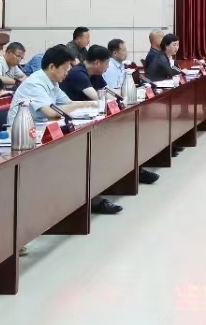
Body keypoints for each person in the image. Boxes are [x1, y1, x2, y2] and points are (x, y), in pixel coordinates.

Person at [10, 46, 125, 213]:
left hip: (44, 133)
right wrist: (82, 105)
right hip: (23, 138)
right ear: (52, 67)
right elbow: (52, 113)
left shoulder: (53, 82)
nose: (67, 73)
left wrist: (93, 104)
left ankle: (89, 198)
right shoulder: (35, 83)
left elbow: (68, 103)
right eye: (65, 69)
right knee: (75, 154)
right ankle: (87, 201)